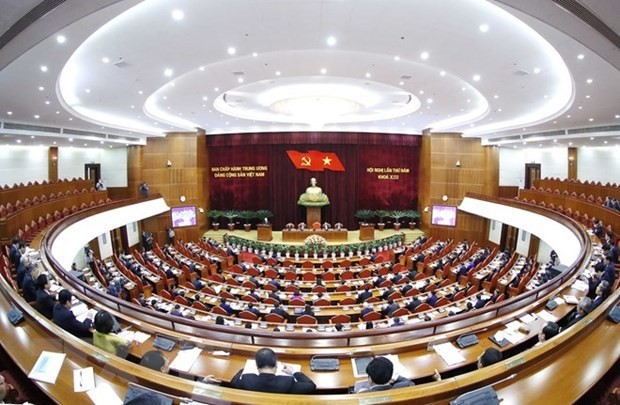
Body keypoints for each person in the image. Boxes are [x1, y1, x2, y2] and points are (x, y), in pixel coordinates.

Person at [230, 348, 316, 394]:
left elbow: (233, 382)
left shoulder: (247, 379)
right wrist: (295, 372)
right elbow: (311, 386)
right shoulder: (287, 382)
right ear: (276, 365)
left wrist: (243, 369)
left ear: (257, 366)